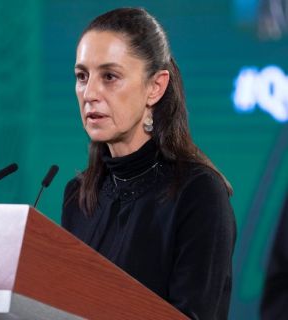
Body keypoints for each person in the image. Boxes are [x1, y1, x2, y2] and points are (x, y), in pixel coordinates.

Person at [61, 7, 236, 320]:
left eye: (109, 77)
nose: (89, 93)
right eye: (82, 76)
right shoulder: (78, 195)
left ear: (155, 87)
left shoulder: (198, 194)